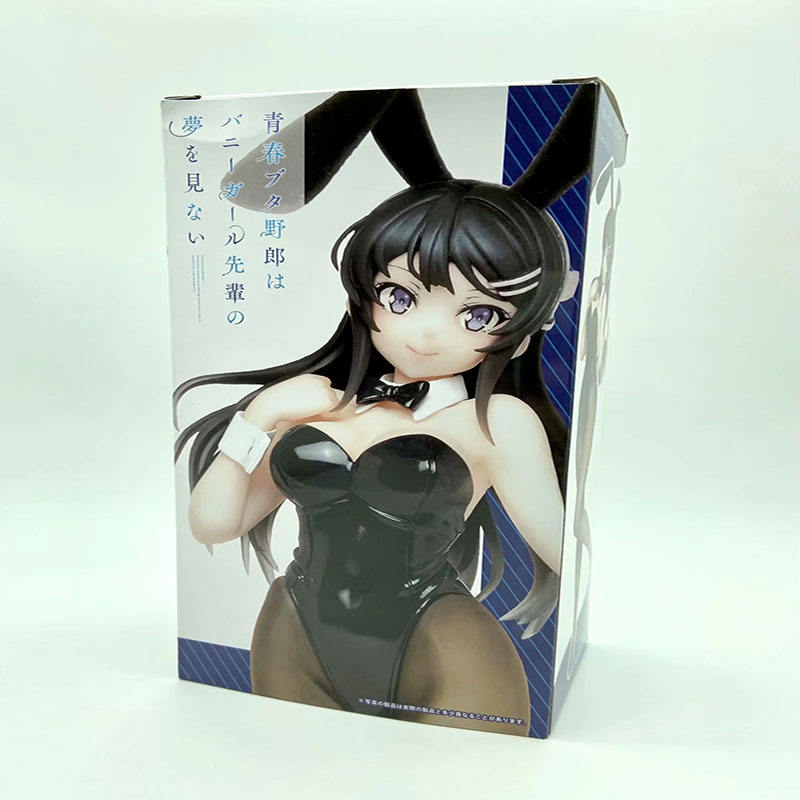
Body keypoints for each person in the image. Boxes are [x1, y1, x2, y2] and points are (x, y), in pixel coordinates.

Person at [173, 86, 597, 736]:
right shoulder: (315, 402)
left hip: (440, 646)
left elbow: (570, 556)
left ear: (520, 331)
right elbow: (213, 524)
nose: (426, 332)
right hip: (293, 630)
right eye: (400, 297)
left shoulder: (496, 424)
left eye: (478, 314)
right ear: (364, 290)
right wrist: (256, 418)